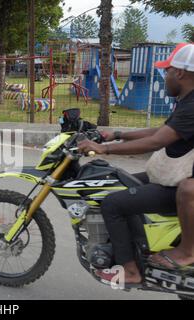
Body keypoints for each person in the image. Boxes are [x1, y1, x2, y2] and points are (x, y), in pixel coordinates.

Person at [78, 43, 194, 286]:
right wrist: (117, 134)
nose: (165, 77)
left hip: (178, 184)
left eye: (168, 71)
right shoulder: (187, 101)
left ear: (180, 73)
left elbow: (155, 141)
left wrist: (104, 148)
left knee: (112, 204)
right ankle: (138, 249)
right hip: (173, 176)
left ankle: (130, 271)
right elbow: (162, 131)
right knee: (118, 182)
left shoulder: (192, 106)